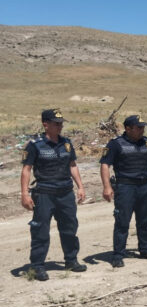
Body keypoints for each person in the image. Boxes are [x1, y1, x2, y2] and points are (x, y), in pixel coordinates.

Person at [20, 109, 88, 281]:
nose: (60, 126)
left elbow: (72, 165)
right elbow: (26, 170)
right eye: (56, 123)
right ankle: (37, 267)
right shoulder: (35, 145)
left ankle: (71, 260)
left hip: (65, 193)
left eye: (61, 123)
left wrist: (80, 186)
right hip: (44, 193)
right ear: (45, 124)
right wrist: (24, 194)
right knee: (41, 231)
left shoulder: (66, 143)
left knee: (70, 228)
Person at [99, 115, 147, 268]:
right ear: (128, 128)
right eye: (139, 127)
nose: (142, 130)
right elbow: (104, 165)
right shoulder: (116, 144)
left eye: (143, 127)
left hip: (145, 187)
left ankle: (146, 249)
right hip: (125, 187)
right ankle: (118, 255)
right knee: (122, 222)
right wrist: (107, 187)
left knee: (145, 220)